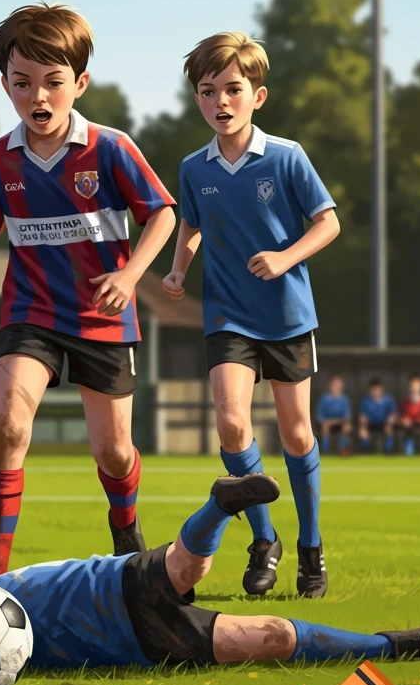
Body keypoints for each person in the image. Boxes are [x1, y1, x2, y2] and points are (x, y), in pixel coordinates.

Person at [0, 3, 176, 577]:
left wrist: (130, 274)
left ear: (79, 83)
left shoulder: (110, 148)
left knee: (113, 453)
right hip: (30, 313)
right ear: (6, 85)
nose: (38, 97)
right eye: (23, 83)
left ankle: (125, 530)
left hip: (103, 318)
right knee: (9, 427)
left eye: (53, 83)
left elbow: (162, 215)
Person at [0, 474, 420, 670]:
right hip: (143, 643)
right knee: (272, 637)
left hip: (114, 584)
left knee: (185, 566)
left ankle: (220, 505)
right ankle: (393, 647)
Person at [162, 32, 339, 600]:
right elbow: (189, 226)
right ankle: (264, 541)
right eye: (208, 91)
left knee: (295, 432)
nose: (221, 101)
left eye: (233, 89)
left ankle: (310, 548)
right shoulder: (193, 168)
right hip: (228, 316)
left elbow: (328, 222)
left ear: (256, 96)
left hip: (288, 316)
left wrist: (285, 257)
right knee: (232, 422)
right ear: (198, 100)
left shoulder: (287, 157)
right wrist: (178, 271)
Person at [315, 373, 352, 456]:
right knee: (325, 427)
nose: (336, 386)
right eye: (334, 384)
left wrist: (335, 422)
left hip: (340, 424)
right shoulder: (324, 399)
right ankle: (325, 453)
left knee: (347, 427)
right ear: (330, 385)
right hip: (326, 424)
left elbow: (347, 417)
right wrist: (326, 422)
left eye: (338, 383)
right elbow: (319, 416)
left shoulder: (344, 399)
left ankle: (343, 451)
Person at [359, 377, 397, 455]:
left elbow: (394, 413)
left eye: (378, 389)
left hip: (384, 424)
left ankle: (388, 452)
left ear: (382, 389)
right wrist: (363, 420)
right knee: (362, 431)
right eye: (373, 389)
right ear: (370, 389)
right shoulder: (365, 400)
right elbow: (362, 415)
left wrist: (390, 420)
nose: (376, 391)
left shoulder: (388, 399)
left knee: (389, 429)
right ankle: (366, 453)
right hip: (370, 424)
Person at [398, 374, 420, 457]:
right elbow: (403, 416)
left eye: (417, 385)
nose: (415, 387)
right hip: (410, 429)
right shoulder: (406, 401)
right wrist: (405, 421)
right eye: (413, 385)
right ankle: (409, 452)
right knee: (406, 434)